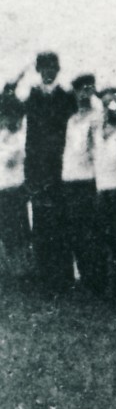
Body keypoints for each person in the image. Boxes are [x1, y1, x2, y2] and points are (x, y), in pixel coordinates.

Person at [19, 52, 72, 292]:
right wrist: (30, 174)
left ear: (58, 70)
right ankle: (46, 281)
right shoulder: (33, 96)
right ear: (39, 70)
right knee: (41, 226)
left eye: (53, 67)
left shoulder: (66, 96)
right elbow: (30, 137)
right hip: (39, 171)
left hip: (60, 170)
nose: (49, 71)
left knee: (61, 225)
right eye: (45, 68)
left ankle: (64, 280)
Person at [57, 73, 102, 298]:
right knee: (75, 232)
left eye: (88, 89)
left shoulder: (97, 117)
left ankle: (96, 281)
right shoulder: (72, 120)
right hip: (70, 181)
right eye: (80, 89)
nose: (84, 94)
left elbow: (97, 152)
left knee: (90, 233)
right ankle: (83, 279)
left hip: (88, 181)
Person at [92, 88, 116, 302]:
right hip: (102, 190)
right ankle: (110, 286)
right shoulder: (99, 130)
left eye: (113, 103)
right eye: (105, 103)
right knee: (104, 238)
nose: (109, 108)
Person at [0, 93, 27, 283]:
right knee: (7, 233)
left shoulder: (23, 136)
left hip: (17, 190)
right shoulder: (2, 136)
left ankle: (24, 270)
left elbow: (13, 162)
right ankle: (11, 270)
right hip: (2, 190)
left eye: (15, 115)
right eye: (6, 115)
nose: (10, 119)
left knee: (20, 233)